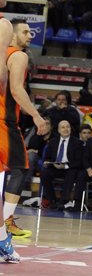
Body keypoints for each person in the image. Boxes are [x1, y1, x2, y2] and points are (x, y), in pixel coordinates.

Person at [0, 19, 49, 247]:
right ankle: (6, 222)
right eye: (25, 32)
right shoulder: (18, 55)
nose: (30, 36)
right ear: (11, 35)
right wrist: (37, 116)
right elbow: (17, 90)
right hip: (5, 122)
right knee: (20, 167)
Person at [40, 120, 83, 211]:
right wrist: (47, 162)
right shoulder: (53, 142)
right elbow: (47, 157)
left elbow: (79, 162)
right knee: (44, 172)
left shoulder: (77, 142)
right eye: (63, 127)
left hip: (69, 167)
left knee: (72, 173)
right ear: (58, 130)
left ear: (71, 129)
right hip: (55, 167)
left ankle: (63, 201)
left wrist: (65, 166)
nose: (65, 129)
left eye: (67, 127)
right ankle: (52, 200)